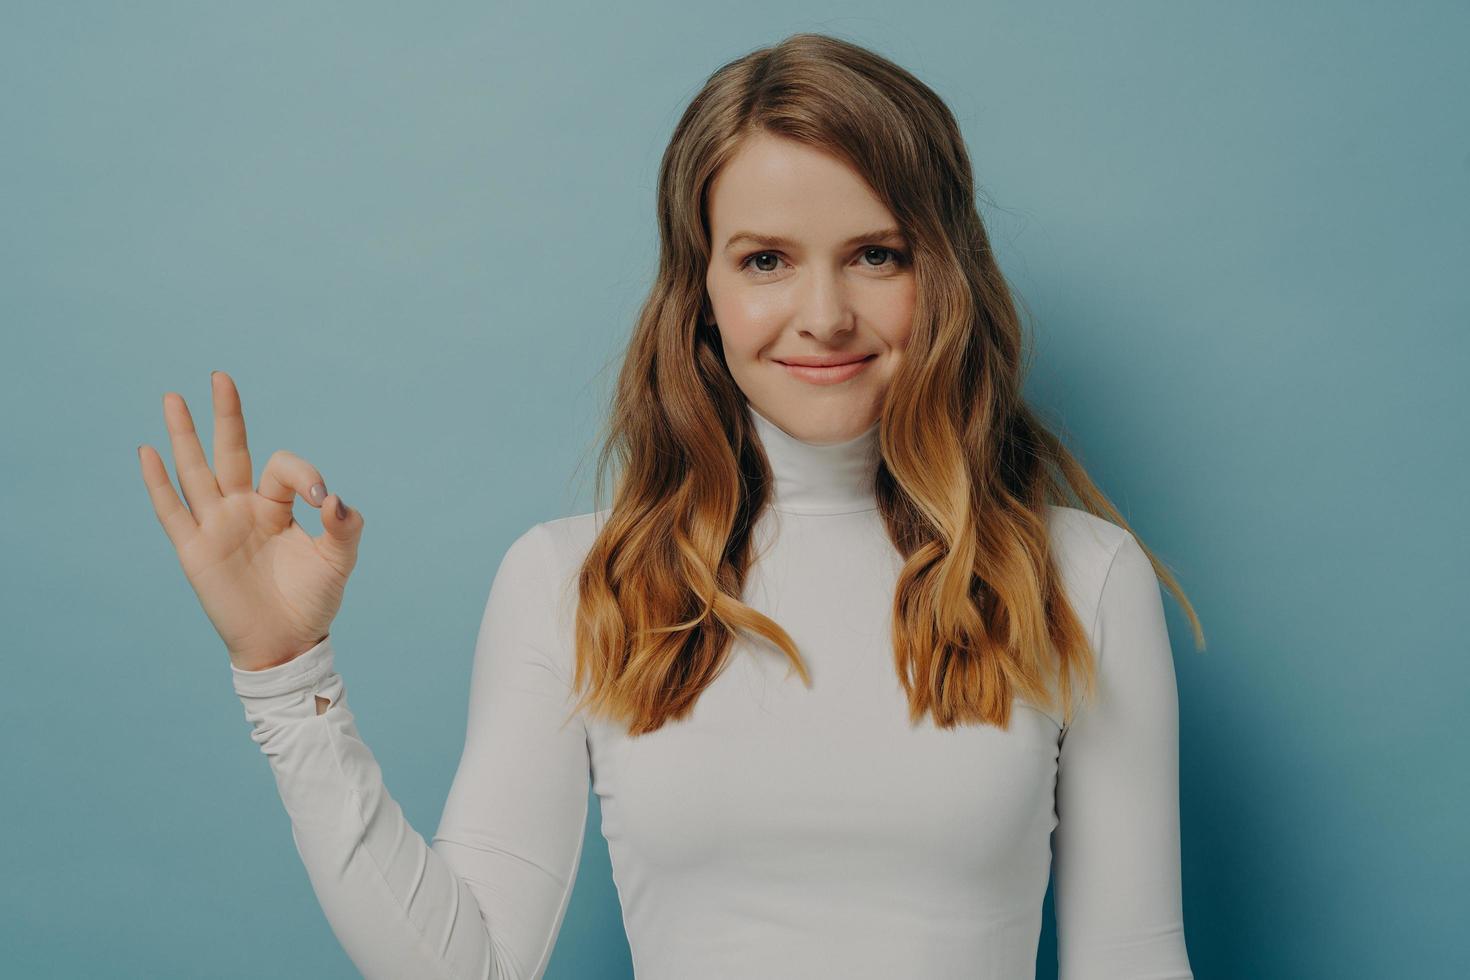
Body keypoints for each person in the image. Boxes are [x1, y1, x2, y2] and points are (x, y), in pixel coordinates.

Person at [139, 32, 1201, 980]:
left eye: (876, 255)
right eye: (767, 260)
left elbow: (1132, 960)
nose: (823, 315)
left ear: (945, 273)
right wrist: (285, 678)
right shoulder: (571, 580)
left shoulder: (1079, 577)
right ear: (701, 290)